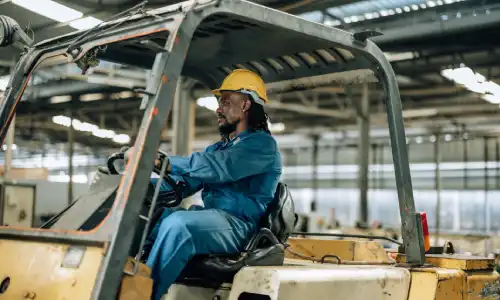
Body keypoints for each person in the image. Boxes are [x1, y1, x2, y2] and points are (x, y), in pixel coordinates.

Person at [126, 69, 282, 299]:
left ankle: (141, 295)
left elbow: (222, 167)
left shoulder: (262, 146)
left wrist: (164, 160)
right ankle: (122, 281)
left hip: (240, 226)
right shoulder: (218, 149)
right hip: (212, 220)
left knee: (180, 225)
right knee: (154, 218)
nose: (218, 109)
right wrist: (137, 185)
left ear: (246, 105)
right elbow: (184, 183)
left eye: (226, 102)